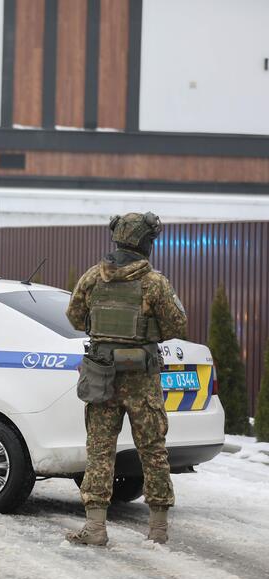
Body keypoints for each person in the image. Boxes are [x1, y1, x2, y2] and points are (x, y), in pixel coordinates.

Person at [65, 212, 187, 546]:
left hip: (102, 375)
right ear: (146, 243)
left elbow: (75, 317)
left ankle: (95, 527)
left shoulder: (94, 277)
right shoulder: (154, 283)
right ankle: (158, 529)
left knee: (100, 450)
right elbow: (177, 325)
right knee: (153, 450)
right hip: (141, 380)